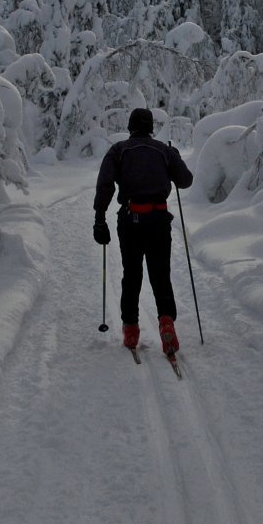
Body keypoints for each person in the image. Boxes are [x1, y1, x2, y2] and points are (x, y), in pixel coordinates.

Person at [93, 106, 193, 355]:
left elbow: (105, 184)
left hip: (130, 219)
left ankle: (131, 329)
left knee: (132, 274)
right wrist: (175, 157)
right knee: (160, 274)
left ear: (130, 127)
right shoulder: (164, 151)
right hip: (158, 219)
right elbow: (185, 180)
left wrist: (99, 218)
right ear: (150, 128)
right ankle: (166, 321)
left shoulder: (118, 150)